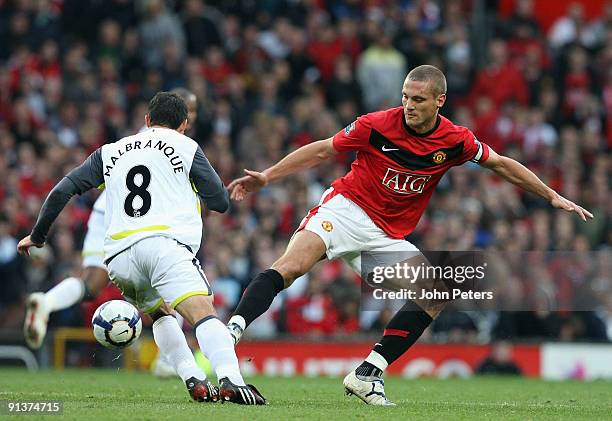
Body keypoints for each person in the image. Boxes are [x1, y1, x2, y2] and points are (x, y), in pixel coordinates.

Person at [225, 65, 592, 405]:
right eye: (405, 97)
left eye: (417, 99)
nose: (408, 105)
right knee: (291, 266)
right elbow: (323, 149)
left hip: (385, 236)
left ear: (439, 101)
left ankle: (369, 373)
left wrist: (551, 195)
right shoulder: (376, 124)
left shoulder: (455, 139)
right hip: (346, 210)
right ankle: (231, 333)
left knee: (435, 292)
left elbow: (500, 164)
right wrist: (268, 176)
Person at [17, 92, 266, 405]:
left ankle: (194, 378)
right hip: (164, 246)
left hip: (119, 258)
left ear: (147, 121)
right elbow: (220, 202)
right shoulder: (186, 146)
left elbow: (63, 189)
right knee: (202, 312)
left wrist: (38, 236)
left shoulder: (110, 151)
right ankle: (232, 379)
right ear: (184, 124)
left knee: (159, 312)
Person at [23, 88, 199, 379]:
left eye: (193, 112)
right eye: (189, 112)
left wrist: (38, 235)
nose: (190, 119)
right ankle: (170, 361)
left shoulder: (135, 139)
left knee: (91, 282)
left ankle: (47, 302)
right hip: (138, 219)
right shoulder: (175, 144)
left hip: (107, 210)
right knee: (173, 279)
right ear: (180, 116)